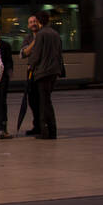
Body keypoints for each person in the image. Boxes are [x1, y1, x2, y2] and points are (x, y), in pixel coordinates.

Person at [25, 11, 63, 139]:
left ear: (39, 22)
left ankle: (48, 132)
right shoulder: (55, 33)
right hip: (54, 71)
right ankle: (49, 130)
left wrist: (31, 65)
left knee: (45, 103)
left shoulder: (41, 35)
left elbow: (36, 54)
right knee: (46, 101)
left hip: (43, 72)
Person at [19, 14, 43, 134]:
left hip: (43, 71)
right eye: (31, 22)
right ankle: (37, 125)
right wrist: (35, 41)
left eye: (35, 21)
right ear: (28, 26)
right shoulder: (28, 38)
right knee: (32, 100)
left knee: (42, 100)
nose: (33, 23)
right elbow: (23, 54)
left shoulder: (45, 35)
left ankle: (42, 126)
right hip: (31, 72)